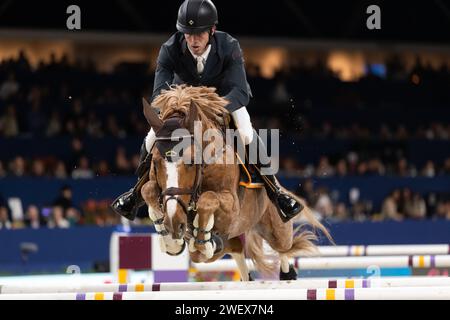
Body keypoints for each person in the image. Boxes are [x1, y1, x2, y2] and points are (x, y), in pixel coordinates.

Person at [111, 0, 303, 222]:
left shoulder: (229, 46)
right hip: (183, 102)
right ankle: (135, 193)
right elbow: (158, 96)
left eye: (199, 33)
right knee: (152, 136)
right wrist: (172, 109)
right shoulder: (169, 49)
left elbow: (239, 91)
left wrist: (211, 106)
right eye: (188, 33)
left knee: (246, 131)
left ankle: (275, 192)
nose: (193, 40)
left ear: (212, 30)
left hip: (224, 100)